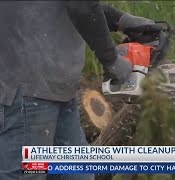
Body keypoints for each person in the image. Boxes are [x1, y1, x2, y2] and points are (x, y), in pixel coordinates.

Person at [0, 1, 157, 180]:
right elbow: (82, 5)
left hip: (58, 90)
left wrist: (120, 20)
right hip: (26, 89)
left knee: (78, 174)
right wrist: (111, 60)